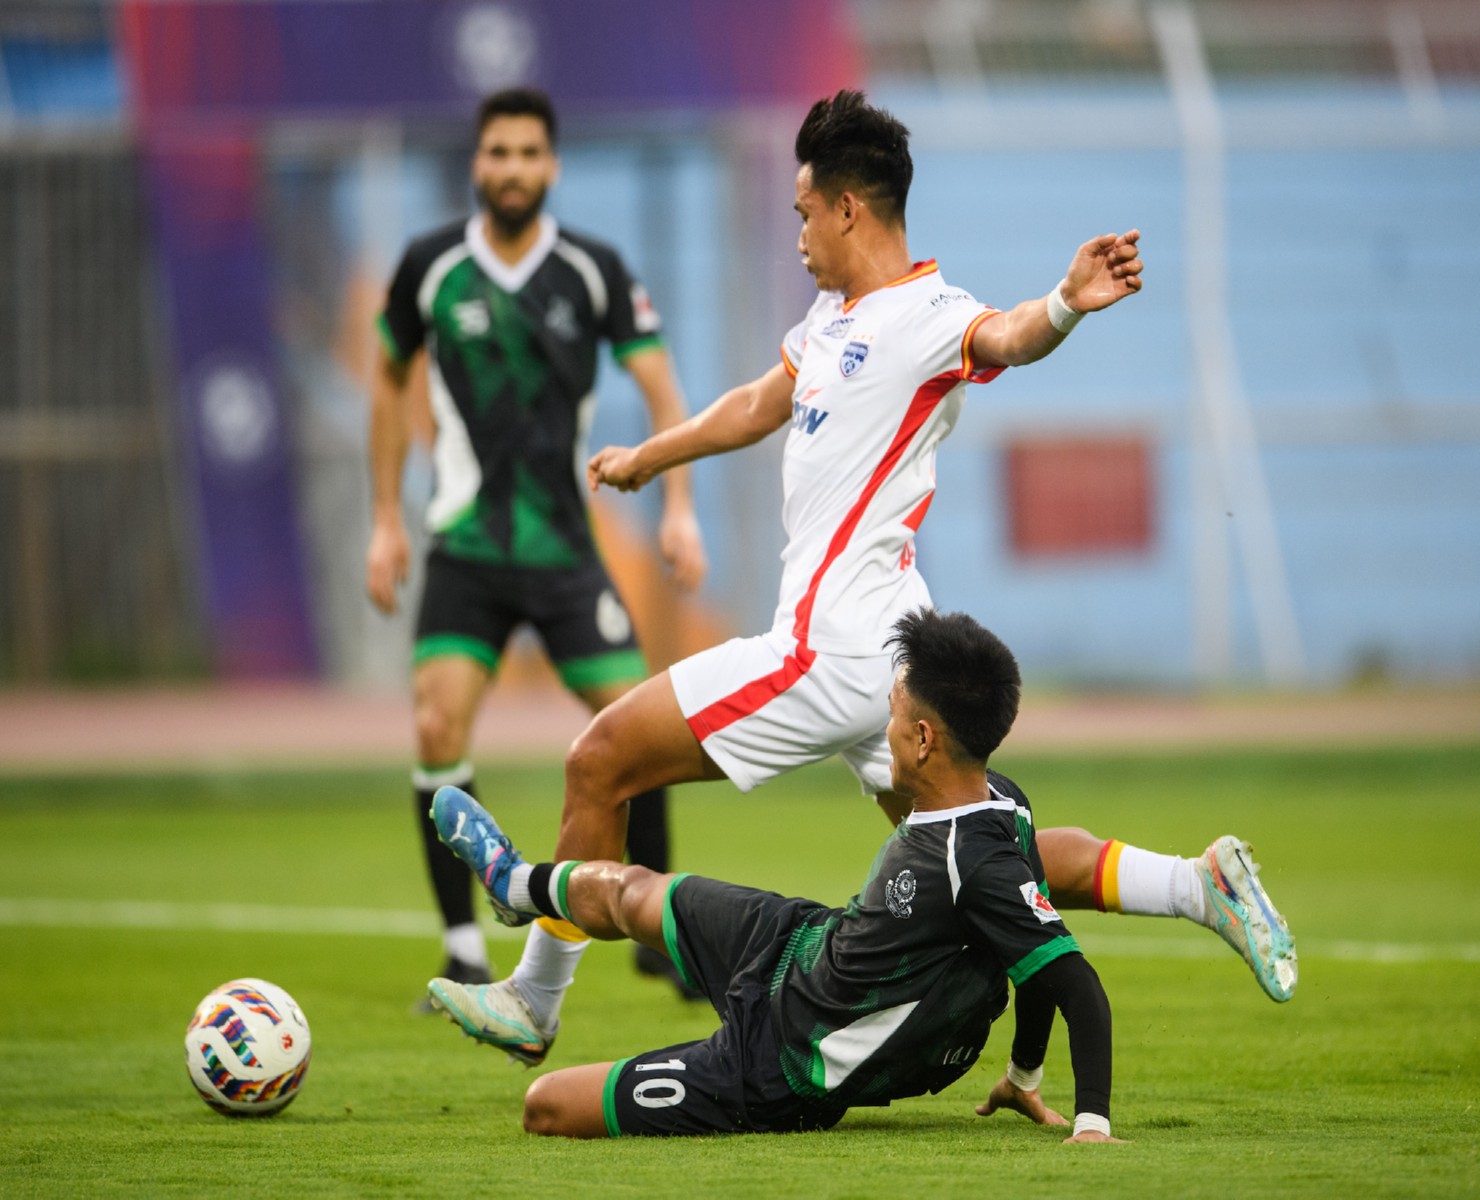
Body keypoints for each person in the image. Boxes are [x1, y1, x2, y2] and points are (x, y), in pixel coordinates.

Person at [427, 88, 1295, 1065]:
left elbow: (1007, 335)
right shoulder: (832, 315)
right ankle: (1193, 883)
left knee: (597, 761)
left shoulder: (932, 316)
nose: (796, 233)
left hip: (825, 652)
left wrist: (1064, 303)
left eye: (803, 212)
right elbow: (761, 399)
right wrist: (653, 456)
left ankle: (535, 1002)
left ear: (848, 208)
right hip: (891, 652)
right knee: (978, 851)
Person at [432, 608, 1122, 1141]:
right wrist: (1024, 1073)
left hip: (782, 1062)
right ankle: (517, 883)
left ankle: (525, 896)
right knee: (632, 886)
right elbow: (1034, 948)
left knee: (544, 1107)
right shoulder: (1006, 800)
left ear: (922, 739)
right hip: (797, 941)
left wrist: (1092, 1126)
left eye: (891, 714)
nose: (882, 730)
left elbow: (1074, 986)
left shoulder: (972, 857)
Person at [365, 87, 707, 1005]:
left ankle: (657, 932)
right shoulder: (430, 267)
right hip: (466, 551)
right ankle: (461, 942)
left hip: (565, 551)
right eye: (497, 153)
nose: (511, 169)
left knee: (642, 726)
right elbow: (387, 381)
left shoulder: (592, 269)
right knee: (437, 728)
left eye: (528, 154)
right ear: (478, 164)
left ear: (551, 167)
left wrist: (680, 508)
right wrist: (386, 521)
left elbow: (666, 396)